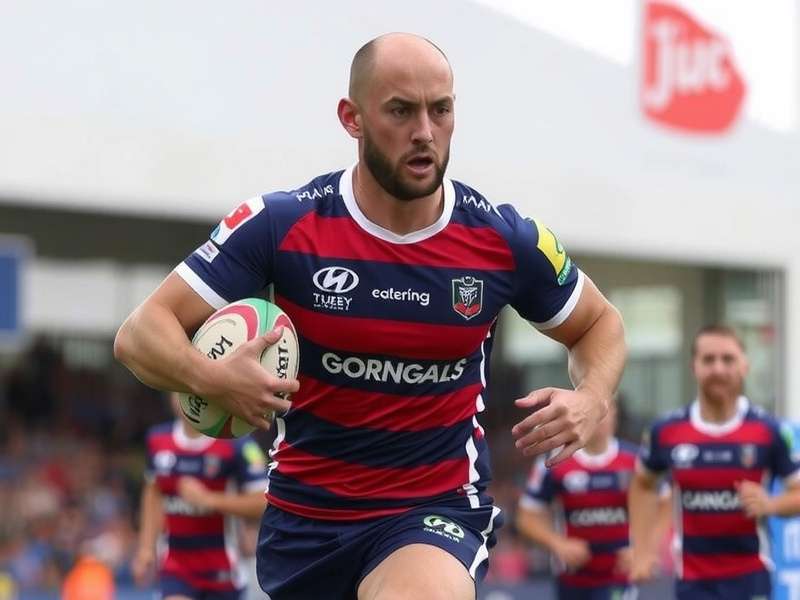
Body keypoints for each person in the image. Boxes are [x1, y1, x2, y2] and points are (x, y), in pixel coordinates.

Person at [114, 32, 626, 600]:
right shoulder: (282, 224)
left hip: (435, 511)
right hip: (305, 523)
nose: (425, 132)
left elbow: (601, 325)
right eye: (401, 111)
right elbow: (139, 334)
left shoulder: (501, 238)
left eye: (441, 109)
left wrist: (593, 396)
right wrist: (211, 378)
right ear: (352, 118)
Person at [628, 325, 800, 599]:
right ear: (693, 366)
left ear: (745, 365)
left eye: (728, 359)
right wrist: (642, 549)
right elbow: (642, 484)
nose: (718, 369)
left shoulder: (769, 430)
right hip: (694, 583)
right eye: (708, 360)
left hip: (752, 578)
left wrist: (771, 504)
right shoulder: (667, 431)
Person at [517, 395, 660, 600]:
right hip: (571, 580)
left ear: (615, 415)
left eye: (606, 411)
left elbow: (663, 501)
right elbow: (527, 517)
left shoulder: (635, 460)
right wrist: (558, 544)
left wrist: (643, 546)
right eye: (595, 411)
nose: (601, 418)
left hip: (618, 578)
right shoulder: (555, 461)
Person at [131, 394, 268, 600]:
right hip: (176, 565)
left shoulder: (238, 443)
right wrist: (146, 548)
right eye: (178, 389)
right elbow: (153, 492)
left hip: (223, 568)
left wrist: (209, 499)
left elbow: (264, 501)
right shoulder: (157, 440)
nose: (184, 398)